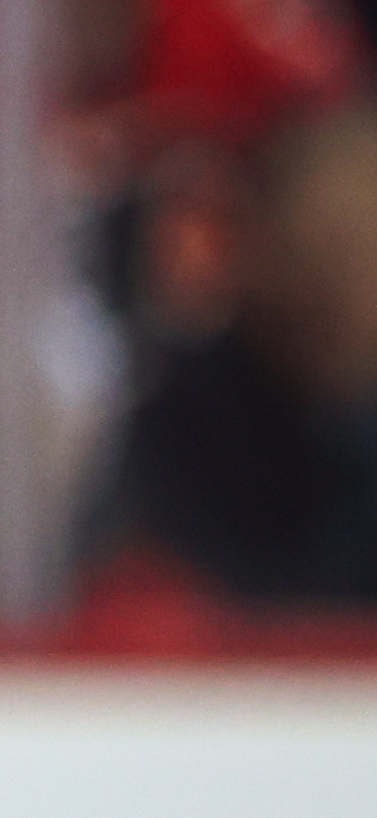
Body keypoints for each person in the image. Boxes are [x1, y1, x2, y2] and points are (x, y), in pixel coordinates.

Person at [101, 101, 377, 606]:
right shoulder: (185, 429)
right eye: (328, 248)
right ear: (263, 245)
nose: (346, 283)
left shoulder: (356, 430)